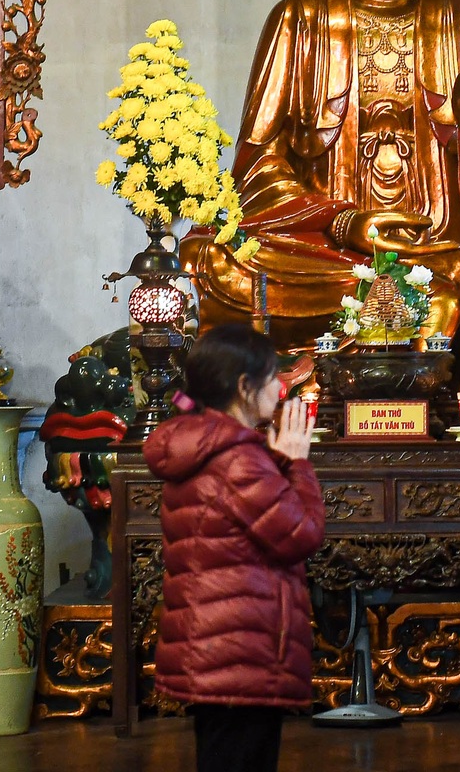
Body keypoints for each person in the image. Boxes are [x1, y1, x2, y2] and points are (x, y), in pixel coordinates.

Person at [145, 325, 324, 772]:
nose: (280, 387)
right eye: (271, 378)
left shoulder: (204, 445)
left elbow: (255, 524)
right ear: (244, 388)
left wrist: (278, 460)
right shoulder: (238, 458)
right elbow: (299, 533)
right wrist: (297, 463)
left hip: (217, 644)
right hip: (240, 650)